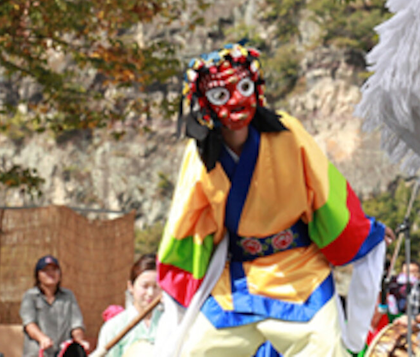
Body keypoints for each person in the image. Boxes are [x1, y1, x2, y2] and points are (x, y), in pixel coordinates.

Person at [155, 43, 390, 356]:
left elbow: (326, 193)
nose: (236, 100)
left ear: (256, 86)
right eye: (221, 94)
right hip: (236, 281)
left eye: (243, 87)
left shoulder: (287, 133)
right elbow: (187, 222)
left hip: (300, 271)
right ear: (204, 104)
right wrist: (178, 275)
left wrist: (364, 232)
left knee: (325, 348)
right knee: (197, 350)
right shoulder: (200, 157)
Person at [20, 255, 89, 357]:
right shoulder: (30, 296)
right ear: (37, 275)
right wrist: (42, 338)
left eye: (54, 269)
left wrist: (79, 341)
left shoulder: (68, 296)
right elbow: (29, 324)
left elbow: (76, 324)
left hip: (62, 353)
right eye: (45, 270)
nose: (51, 273)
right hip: (37, 353)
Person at [95, 254, 161, 357]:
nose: (151, 293)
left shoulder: (169, 322)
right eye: (145, 286)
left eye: (156, 286)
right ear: (131, 286)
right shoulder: (114, 327)